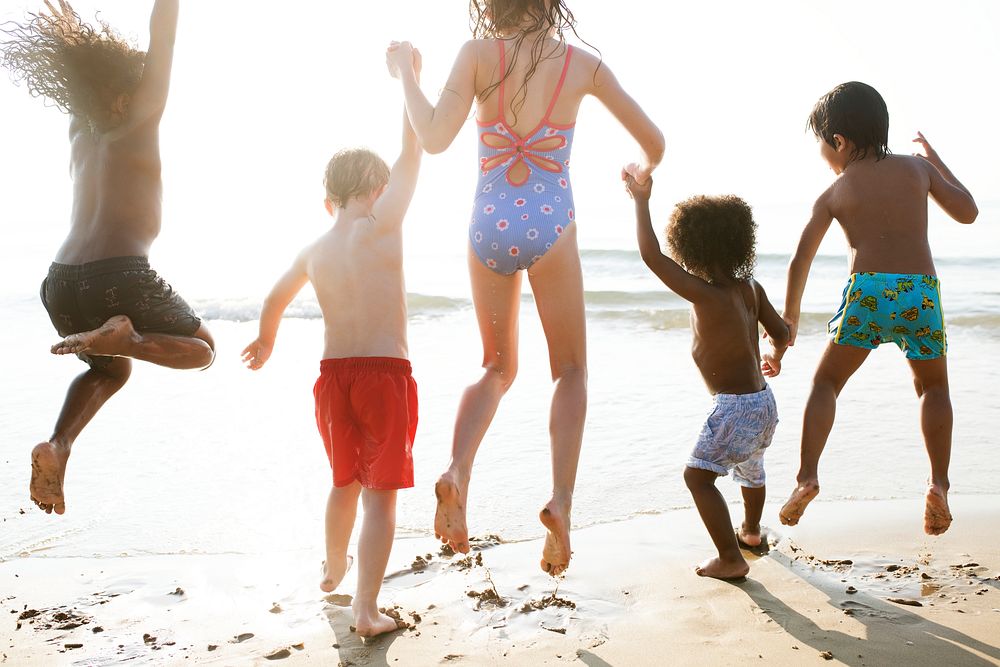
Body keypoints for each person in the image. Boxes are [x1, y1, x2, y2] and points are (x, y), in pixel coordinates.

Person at [385, 0, 664, 577]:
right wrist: (640, 171)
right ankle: (560, 502)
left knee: (495, 367)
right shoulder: (582, 64)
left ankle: (457, 471)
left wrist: (406, 76)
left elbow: (433, 138)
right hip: (550, 219)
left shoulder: (477, 55)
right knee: (570, 372)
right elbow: (654, 141)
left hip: (488, 220)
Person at [1, 0, 215, 516]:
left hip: (60, 281)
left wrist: (67, 32)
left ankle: (59, 445)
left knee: (110, 370)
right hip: (119, 273)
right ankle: (130, 336)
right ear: (124, 86)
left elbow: (81, 61)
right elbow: (162, 36)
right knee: (203, 348)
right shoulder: (139, 116)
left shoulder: (81, 125)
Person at [241, 57, 422, 638]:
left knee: (344, 481)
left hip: (331, 377)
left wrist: (266, 341)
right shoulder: (383, 222)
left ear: (328, 201)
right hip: (383, 373)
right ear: (377, 190)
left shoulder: (314, 248)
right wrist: (408, 81)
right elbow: (412, 150)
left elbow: (273, 300)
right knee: (381, 497)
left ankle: (334, 564)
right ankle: (366, 611)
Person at [778, 82, 978, 536]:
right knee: (933, 387)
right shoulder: (917, 171)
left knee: (827, 381)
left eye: (821, 144)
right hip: (919, 293)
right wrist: (934, 162)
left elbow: (800, 258)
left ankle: (807, 476)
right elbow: (967, 212)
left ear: (840, 142)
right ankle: (939, 484)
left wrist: (789, 319)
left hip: (866, 293)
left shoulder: (835, 192)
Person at [625, 174, 789, 580]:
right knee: (752, 466)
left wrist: (640, 200)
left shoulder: (704, 292)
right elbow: (782, 332)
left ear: (690, 247)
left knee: (697, 477)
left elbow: (651, 257)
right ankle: (750, 533)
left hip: (733, 406)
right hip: (763, 401)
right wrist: (775, 352)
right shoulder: (751, 287)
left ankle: (730, 558)